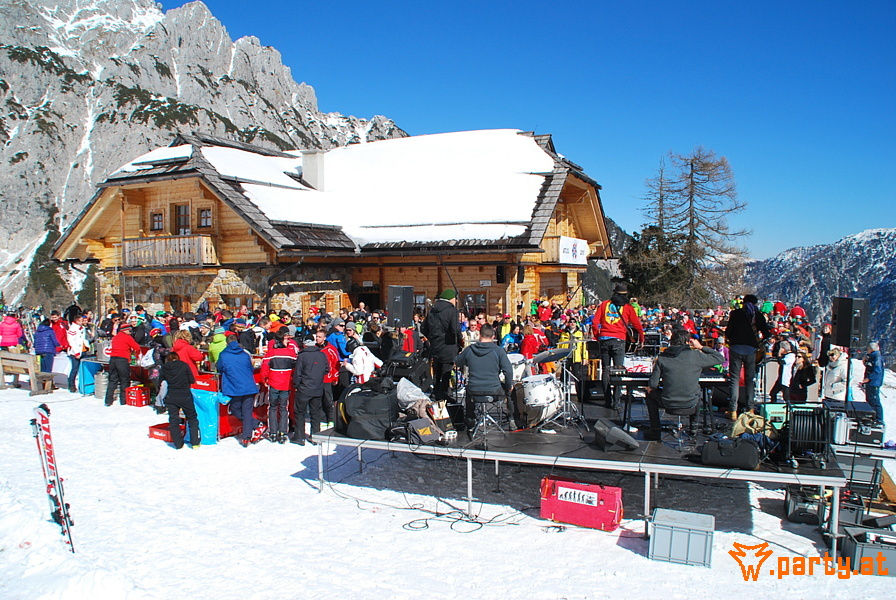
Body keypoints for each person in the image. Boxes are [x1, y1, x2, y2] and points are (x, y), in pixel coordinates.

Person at [644, 329, 725, 440]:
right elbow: (720, 358)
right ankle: (693, 429)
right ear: (687, 342)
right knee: (696, 391)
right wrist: (700, 347)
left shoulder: (662, 358)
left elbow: (653, 384)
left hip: (668, 403)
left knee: (650, 395)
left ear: (671, 342)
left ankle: (655, 430)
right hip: (691, 403)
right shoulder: (696, 355)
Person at [454, 324, 514, 432]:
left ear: (480, 335)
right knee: (510, 391)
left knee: (469, 390)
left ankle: (470, 420)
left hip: (474, 390)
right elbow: (508, 371)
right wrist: (509, 385)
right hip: (494, 389)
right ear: (493, 337)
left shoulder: (469, 350)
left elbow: (457, 362)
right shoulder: (498, 351)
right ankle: (512, 419)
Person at [594, 283, 644, 408]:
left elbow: (595, 323)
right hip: (619, 339)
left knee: (605, 370)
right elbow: (637, 325)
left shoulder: (604, 304)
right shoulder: (628, 307)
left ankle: (607, 400)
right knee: (618, 370)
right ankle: (616, 402)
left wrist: (598, 336)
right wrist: (641, 338)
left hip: (604, 339)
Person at [724, 293, 770, 419]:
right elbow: (767, 334)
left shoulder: (736, 314)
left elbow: (728, 332)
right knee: (750, 380)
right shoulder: (758, 316)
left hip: (736, 348)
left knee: (734, 379)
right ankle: (750, 409)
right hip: (751, 350)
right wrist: (759, 343)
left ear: (743, 302)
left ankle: (733, 410)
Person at [216, 332, 260, 448]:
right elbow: (250, 368)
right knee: (246, 412)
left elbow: (219, 368)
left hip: (234, 387)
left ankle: (250, 432)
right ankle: (249, 434)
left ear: (227, 343)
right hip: (248, 386)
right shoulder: (245, 354)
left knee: (235, 409)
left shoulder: (224, 355)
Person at [420, 289, 461, 400]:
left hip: (435, 346)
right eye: (455, 299)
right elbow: (455, 330)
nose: (456, 301)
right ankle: (444, 395)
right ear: (451, 299)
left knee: (437, 372)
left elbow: (423, 328)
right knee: (446, 372)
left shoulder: (432, 310)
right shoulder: (452, 311)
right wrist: (459, 339)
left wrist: (433, 338)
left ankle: (436, 393)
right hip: (448, 346)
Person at [260, 329, 297, 443]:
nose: (288, 341)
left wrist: (264, 379)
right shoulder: (291, 354)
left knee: (273, 407)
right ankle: (283, 432)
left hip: (274, 383)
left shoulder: (271, 353)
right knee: (283, 408)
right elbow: (296, 368)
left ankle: (273, 432)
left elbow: (264, 368)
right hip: (286, 383)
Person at [292, 338, 328, 445]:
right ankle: (315, 436)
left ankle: (299, 437)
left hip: (304, 388)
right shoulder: (322, 355)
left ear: (305, 345)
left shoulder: (302, 356)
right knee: (315, 413)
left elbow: (298, 373)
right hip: (317, 388)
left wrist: (296, 385)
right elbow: (327, 369)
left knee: (300, 412)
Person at [160, 353, 199, 449]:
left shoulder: (164, 367)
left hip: (171, 396)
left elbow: (161, 380)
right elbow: (192, 380)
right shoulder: (184, 365)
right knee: (192, 418)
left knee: (173, 420)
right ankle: (195, 442)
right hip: (185, 395)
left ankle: (178, 444)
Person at [105, 322, 142, 406]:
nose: (130, 332)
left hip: (112, 359)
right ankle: (124, 400)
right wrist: (136, 355)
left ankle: (108, 400)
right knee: (124, 380)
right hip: (122, 360)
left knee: (112, 380)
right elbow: (137, 347)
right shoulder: (127, 337)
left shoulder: (115, 337)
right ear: (126, 330)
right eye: (129, 330)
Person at [862, 342, 885, 425]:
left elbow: (877, 370)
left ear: (871, 349)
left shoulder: (877, 357)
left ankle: (879, 419)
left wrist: (868, 378)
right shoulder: (872, 356)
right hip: (871, 383)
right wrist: (865, 361)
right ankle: (872, 416)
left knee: (874, 401)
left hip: (874, 383)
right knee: (870, 400)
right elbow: (870, 366)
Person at [66, 314, 89, 393]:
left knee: (82, 369)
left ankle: (82, 385)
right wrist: (76, 352)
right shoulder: (73, 329)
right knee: (75, 369)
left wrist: (87, 346)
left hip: (82, 350)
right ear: (77, 321)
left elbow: (83, 339)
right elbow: (71, 341)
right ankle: (71, 385)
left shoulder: (82, 328)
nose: (83, 322)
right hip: (75, 352)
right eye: (82, 320)